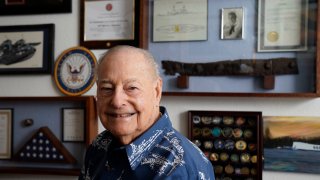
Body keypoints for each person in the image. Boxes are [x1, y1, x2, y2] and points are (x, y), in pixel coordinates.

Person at [79, 45, 215, 180]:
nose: (117, 101)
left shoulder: (181, 168)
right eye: (107, 88)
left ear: (156, 91)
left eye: (131, 88)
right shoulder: (99, 145)